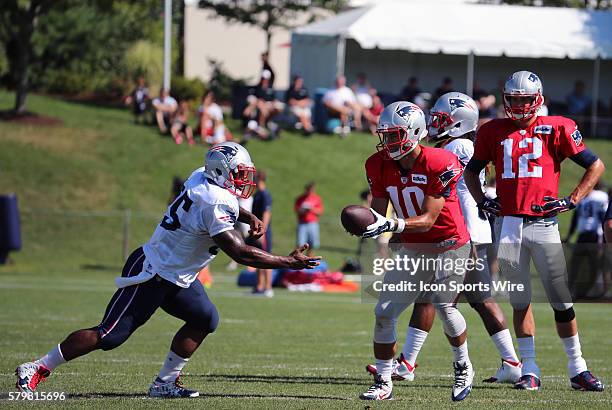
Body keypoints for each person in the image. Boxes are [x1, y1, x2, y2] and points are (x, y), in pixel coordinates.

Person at [15, 142, 320, 398]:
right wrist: (288, 261)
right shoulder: (213, 202)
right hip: (153, 271)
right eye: (238, 174)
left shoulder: (202, 176)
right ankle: (37, 367)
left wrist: (248, 214)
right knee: (109, 336)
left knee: (205, 318)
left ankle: (164, 383)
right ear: (222, 172)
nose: (243, 180)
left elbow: (225, 201)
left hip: (178, 276)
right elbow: (240, 253)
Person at [366, 92, 522, 386]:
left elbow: (458, 196)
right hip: (448, 232)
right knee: (455, 300)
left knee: (466, 301)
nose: (436, 124)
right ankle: (409, 363)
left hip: (462, 233)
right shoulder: (442, 149)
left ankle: (509, 362)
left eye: (442, 120)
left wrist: (469, 241)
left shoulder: (458, 147)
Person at [464, 70, 605, 392]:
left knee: (560, 298)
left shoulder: (557, 126)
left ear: (537, 99)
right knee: (520, 299)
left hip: (543, 223)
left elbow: (595, 165)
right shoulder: (493, 130)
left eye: (525, 100)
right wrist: (482, 202)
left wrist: (572, 200)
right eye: (513, 99)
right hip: (509, 223)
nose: (519, 105)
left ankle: (577, 368)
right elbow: (472, 172)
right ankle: (530, 368)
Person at [359, 101, 474, 401]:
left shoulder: (441, 161)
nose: (388, 142)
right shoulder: (376, 163)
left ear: (415, 133)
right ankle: (384, 381)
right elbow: (378, 211)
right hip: (414, 248)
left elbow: (427, 220)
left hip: (450, 244)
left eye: (395, 135)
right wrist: (370, 225)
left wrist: (390, 226)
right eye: (385, 135)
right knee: (383, 312)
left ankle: (463, 365)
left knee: (445, 307)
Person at [565, 182, 608, 299]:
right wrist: (569, 236)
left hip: (595, 234)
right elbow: (575, 218)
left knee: (595, 264)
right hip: (583, 235)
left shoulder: (599, 196)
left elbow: (603, 216)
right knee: (575, 263)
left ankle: (597, 291)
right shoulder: (583, 197)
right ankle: (570, 290)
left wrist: (604, 236)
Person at [248, 170, 274, 297]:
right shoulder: (257, 195)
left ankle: (268, 287)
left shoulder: (265, 195)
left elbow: (266, 213)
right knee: (257, 259)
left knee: (267, 259)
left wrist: (262, 231)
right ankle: (259, 286)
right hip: (257, 231)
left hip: (264, 232)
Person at [294, 182, 323, 255]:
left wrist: (311, 209)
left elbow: (320, 212)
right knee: (300, 244)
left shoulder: (317, 198)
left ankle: (309, 259)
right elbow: (296, 210)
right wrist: (303, 210)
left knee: (312, 244)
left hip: (313, 223)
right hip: (302, 223)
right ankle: (299, 259)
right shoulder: (300, 199)